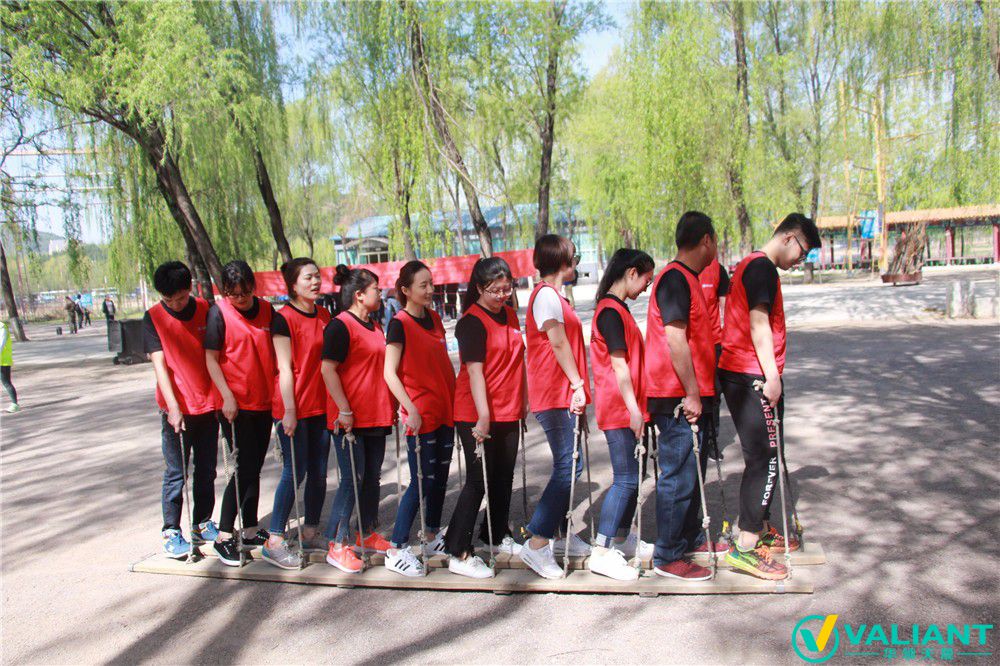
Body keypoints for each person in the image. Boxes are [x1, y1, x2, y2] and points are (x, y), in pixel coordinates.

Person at [720, 213, 821, 580]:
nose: (801, 260)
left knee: (766, 454)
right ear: (789, 238)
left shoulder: (752, 265)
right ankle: (745, 546)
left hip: (746, 372)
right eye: (803, 252)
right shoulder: (761, 267)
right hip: (751, 375)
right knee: (764, 459)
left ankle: (759, 528)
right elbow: (758, 324)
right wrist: (772, 376)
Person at [644, 211, 729, 581]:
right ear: (706, 240)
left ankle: (690, 536)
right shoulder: (675, 278)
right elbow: (675, 339)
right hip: (677, 395)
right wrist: (692, 393)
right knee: (678, 476)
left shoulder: (689, 278)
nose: (717, 248)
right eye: (716, 241)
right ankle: (667, 555)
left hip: (696, 393)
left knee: (693, 474)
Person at [444, 257, 526, 579]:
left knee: (504, 476)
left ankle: (494, 533)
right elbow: (475, 373)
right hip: (476, 413)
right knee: (479, 481)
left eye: (507, 289)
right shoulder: (471, 323)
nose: (503, 295)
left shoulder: (510, 314)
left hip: (508, 408)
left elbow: (517, 360)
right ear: (479, 288)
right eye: (496, 290)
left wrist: (523, 400)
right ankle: (457, 550)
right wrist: (483, 416)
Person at [519, 234, 592, 580]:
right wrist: (577, 384)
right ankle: (537, 542)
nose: (576, 263)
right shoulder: (546, 295)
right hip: (554, 392)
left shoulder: (555, 296)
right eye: (574, 257)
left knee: (571, 463)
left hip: (563, 392)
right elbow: (558, 342)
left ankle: (560, 534)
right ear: (562, 261)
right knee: (568, 466)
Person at [383, 260, 456, 577]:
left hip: (445, 411)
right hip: (420, 415)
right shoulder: (399, 323)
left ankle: (431, 535)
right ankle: (397, 547)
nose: (430, 290)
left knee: (440, 478)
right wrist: (409, 408)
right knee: (421, 481)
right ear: (406, 290)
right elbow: (389, 372)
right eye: (423, 285)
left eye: (431, 283)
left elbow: (443, 364)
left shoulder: (435, 318)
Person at [143, 261, 221, 558]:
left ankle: (202, 522)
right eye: (168, 299)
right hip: (176, 409)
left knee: (207, 470)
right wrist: (173, 408)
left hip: (207, 404)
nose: (175, 304)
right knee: (176, 473)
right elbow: (160, 365)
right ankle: (171, 531)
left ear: (190, 289)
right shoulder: (153, 316)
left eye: (180, 297)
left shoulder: (204, 308)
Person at [321, 265, 395, 573]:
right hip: (350, 418)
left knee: (371, 478)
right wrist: (344, 409)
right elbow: (327, 369)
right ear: (360, 295)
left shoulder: (375, 325)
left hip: (376, 413)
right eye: (376, 289)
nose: (381, 293)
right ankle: (337, 543)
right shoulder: (340, 326)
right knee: (353, 478)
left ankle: (365, 533)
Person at [587, 249, 656, 581]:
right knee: (626, 478)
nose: (647, 286)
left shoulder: (619, 309)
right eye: (646, 279)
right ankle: (601, 551)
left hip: (628, 407)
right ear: (631, 273)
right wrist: (633, 409)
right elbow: (619, 366)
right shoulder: (610, 312)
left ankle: (621, 537)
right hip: (619, 409)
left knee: (634, 476)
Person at [203, 261, 276, 566]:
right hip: (235, 404)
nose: (241, 299)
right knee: (243, 467)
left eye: (245, 293)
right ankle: (223, 535)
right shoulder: (219, 313)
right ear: (225, 292)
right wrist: (227, 396)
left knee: (254, 466)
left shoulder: (267, 310)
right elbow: (211, 358)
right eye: (233, 294)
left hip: (263, 400)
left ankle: (250, 528)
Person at [263, 258, 332, 570]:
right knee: (295, 471)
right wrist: (289, 410)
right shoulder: (283, 319)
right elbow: (285, 368)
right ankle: (274, 540)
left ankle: (310, 531)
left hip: (321, 405)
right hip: (293, 407)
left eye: (317, 276)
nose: (315, 282)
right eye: (308, 278)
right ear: (293, 285)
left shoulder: (324, 315)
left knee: (319, 472)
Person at [699, 257, 730, 461]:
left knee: (714, 393)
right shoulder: (679, 271)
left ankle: (712, 441)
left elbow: (726, 306)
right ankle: (695, 439)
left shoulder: (717, 270)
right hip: (690, 345)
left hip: (714, 342)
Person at [1, 319, 19, 413]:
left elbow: (2, 343)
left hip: (3, 361)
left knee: (6, 382)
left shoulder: (2, 327)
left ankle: (14, 404)